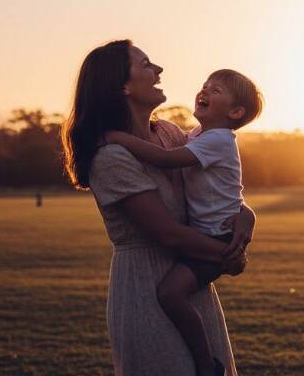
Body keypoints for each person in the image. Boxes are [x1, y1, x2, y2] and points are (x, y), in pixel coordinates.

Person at [61, 40, 255, 376]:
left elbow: (215, 189)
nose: (159, 70)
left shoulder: (170, 134)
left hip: (190, 280)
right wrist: (228, 256)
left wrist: (246, 217)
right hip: (147, 287)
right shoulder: (110, 156)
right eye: (147, 64)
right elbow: (168, 235)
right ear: (122, 85)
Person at [106, 68, 263, 376]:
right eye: (205, 85)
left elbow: (166, 159)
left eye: (215, 90)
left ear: (235, 111)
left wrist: (118, 138)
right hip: (200, 239)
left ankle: (205, 363)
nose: (204, 91)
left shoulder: (216, 139)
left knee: (170, 294)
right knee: (171, 296)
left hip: (215, 238)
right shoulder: (195, 135)